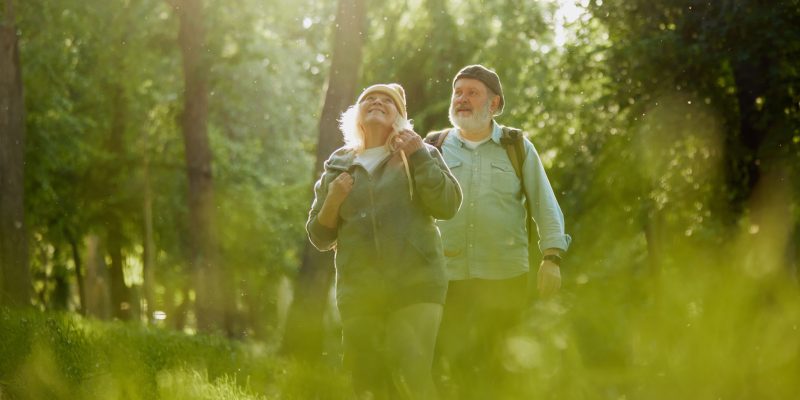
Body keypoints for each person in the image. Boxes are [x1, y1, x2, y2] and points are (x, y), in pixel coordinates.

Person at [306, 83, 462, 399]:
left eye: (387, 101)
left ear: (399, 117)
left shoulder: (420, 152)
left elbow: (447, 204)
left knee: (410, 373)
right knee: (367, 382)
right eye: (369, 99)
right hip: (360, 288)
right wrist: (333, 199)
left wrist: (418, 155)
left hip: (416, 281)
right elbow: (319, 235)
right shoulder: (338, 163)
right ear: (357, 115)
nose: (377, 102)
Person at [428, 65, 572, 398]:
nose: (462, 99)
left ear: (494, 104)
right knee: (445, 370)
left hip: (504, 277)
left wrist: (552, 257)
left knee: (500, 371)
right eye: (458, 91)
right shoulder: (432, 147)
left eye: (472, 92)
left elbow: (544, 203)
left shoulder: (517, 147)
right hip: (443, 277)